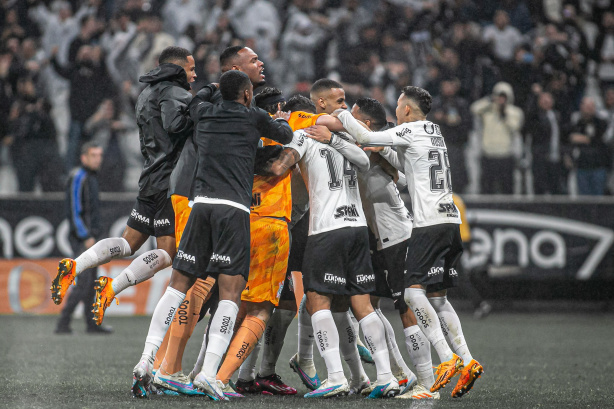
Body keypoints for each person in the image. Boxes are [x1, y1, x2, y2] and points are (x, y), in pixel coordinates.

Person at [131, 70, 293, 400]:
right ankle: (208, 373)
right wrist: (279, 118)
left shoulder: (203, 111)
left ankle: (146, 360)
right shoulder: (253, 116)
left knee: (177, 286)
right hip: (232, 210)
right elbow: (286, 135)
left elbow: (193, 104)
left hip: (200, 205)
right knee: (231, 293)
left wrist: (210, 87)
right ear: (247, 95)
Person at [333, 85, 483, 398]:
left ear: (406, 111)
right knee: (438, 298)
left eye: (399, 105)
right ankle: (467, 361)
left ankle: (446, 360)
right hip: (450, 219)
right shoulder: (435, 131)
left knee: (414, 295)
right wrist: (387, 154)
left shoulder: (410, 130)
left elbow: (365, 138)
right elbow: (409, 167)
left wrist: (338, 114)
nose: (396, 111)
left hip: (427, 223)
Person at [262, 93, 400, 399]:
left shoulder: (301, 136)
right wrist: (335, 140)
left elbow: (279, 168)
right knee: (360, 305)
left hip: (327, 229)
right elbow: (364, 161)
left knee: (317, 301)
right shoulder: (346, 139)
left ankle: (335, 376)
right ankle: (386, 377)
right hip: (358, 229)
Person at [50, 47, 196, 328]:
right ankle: (112, 288)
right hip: (170, 182)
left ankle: (75, 265)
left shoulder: (145, 93)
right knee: (169, 253)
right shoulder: (176, 93)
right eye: (191, 69)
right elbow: (175, 124)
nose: (195, 74)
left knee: (129, 243)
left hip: (149, 177)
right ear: (178, 69)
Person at [348, 97, 436, 400]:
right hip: (376, 239)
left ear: (366, 125)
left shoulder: (371, 148)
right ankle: (400, 374)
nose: (347, 118)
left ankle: (427, 382)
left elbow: (393, 169)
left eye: (352, 115)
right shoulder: (373, 149)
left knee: (404, 308)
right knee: (366, 306)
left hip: (398, 238)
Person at [54, 142, 112, 335]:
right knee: (85, 281)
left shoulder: (91, 178)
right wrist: (85, 235)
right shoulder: (79, 177)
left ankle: (91, 324)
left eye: (100, 155)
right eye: (94, 155)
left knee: (91, 281)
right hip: (84, 239)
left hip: (92, 238)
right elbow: (74, 211)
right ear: (84, 157)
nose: (98, 159)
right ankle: (63, 322)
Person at [470, 82, 524, 194]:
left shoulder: (514, 112)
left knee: (507, 188)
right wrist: (489, 100)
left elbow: (515, 127)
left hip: (506, 155)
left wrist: (504, 115)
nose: (501, 99)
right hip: (488, 155)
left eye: (504, 96)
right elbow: (474, 109)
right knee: (487, 188)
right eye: (499, 96)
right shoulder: (488, 110)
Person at [567, 97, 611, 195]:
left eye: (591, 106)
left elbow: (601, 140)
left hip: (598, 166)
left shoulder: (601, 122)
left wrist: (585, 139)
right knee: (584, 197)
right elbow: (571, 139)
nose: (589, 109)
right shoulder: (577, 123)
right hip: (582, 166)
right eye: (586, 106)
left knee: (598, 196)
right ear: (581, 107)